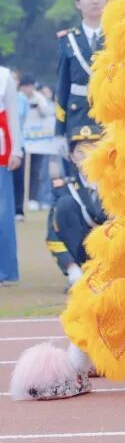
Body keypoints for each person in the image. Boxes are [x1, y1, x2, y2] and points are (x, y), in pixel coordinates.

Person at [46, 124, 107, 287]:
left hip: (110, 251)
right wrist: (72, 268)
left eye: (93, 149)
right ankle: (81, 273)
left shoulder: (116, 183)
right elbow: (53, 232)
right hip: (81, 253)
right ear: (72, 156)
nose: (87, 156)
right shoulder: (64, 188)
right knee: (65, 205)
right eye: (81, 151)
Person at [54, 0, 108, 154]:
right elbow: (63, 85)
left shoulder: (116, 36)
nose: (95, 1)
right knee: (81, 168)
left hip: (110, 115)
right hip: (78, 116)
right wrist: (59, 131)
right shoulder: (68, 39)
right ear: (78, 3)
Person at [0, 65, 22, 285]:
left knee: (3, 212)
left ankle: (5, 270)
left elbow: (13, 115)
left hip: (1, 153)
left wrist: (17, 150)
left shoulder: (4, 76)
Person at [19, 74, 53, 211]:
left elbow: (47, 112)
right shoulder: (17, 97)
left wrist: (38, 106)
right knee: (21, 170)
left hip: (37, 139)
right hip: (21, 139)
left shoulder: (39, 97)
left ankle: (32, 198)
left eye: (30, 86)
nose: (28, 89)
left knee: (35, 170)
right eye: (26, 86)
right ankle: (21, 198)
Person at [10, 69, 29, 221]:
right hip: (3, 144)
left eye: (15, 79)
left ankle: (18, 210)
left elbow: (20, 118)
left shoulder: (21, 98)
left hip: (17, 143)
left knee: (18, 179)